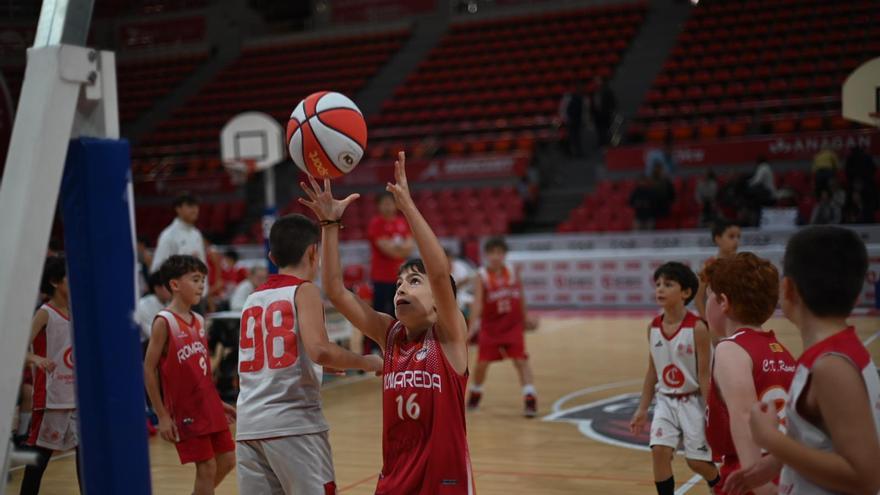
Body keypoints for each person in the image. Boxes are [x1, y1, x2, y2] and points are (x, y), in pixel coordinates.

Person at [303, 152, 475, 493]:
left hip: (444, 480)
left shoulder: (449, 336)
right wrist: (330, 225)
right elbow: (336, 291)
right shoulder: (390, 334)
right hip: (394, 478)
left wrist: (408, 206)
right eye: (398, 283)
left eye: (413, 281)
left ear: (442, 304)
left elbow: (440, 273)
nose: (401, 288)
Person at [724, 226, 880, 495]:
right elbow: (820, 440)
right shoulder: (831, 354)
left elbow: (865, 477)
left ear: (788, 289)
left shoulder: (832, 366)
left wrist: (771, 440)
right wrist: (775, 463)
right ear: (856, 296)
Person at [234, 214, 383, 494]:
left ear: (272, 255)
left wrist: (320, 366)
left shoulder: (252, 298)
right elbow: (320, 350)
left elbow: (275, 358)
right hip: (294, 425)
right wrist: (365, 362)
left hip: (248, 429)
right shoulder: (304, 291)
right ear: (314, 252)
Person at [701, 253, 796, 494]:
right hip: (784, 469)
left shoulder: (730, 349)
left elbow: (744, 415)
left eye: (708, 295)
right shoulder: (781, 351)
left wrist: (759, 482)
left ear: (723, 301)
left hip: (750, 474)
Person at [143, 255, 236, 495]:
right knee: (206, 468)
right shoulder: (164, 322)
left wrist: (218, 402)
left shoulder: (199, 320)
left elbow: (201, 371)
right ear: (174, 285)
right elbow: (148, 369)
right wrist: (161, 415)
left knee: (227, 460)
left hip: (208, 404)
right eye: (195, 279)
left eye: (203, 280)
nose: (201, 285)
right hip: (185, 409)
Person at [629, 262, 719, 495]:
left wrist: (712, 410)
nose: (660, 289)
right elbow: (652, 371)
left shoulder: (698, 328)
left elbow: (704, 375)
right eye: (658, 284)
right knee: (659, 451)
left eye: (668, 284)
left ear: (686, 292)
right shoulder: (653, 327)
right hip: (666, 400)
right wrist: (642, 408)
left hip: (693, 401)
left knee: (696, 462)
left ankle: (718, 483)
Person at [20, 256, 80, 495]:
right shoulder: (45, 313)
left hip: (76, 398)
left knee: (84, 457)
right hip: (50, 399)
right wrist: (36, 359)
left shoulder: (77, 313)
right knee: (38, 459)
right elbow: (17, 347)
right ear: (55, 281)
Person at [466, 236, 539, 417]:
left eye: (499, 253)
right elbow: (477, 304)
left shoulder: (513, 271)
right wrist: (470, 327)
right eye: (491, 253)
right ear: (486, 255)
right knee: (482, 364)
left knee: (521, 361)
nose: (495, 257)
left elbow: (520, 296)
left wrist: (526, 316)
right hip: (491, 328)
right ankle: (476, 391)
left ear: (504, 254)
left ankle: (530, 398)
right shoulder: (481, 275)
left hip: (512, 325)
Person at [366, 191, 414, 355]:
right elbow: (387, 249)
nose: (388, 206)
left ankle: (400, 345)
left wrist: (397, 250)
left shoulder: (402, 222)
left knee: (401, 311)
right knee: (379, 312)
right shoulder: (376, 223)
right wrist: (399, 250)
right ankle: (374, 348)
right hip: (381, 277)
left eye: (390, 203)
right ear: (379, 206)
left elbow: (409, 247)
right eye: (384, 203)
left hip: (400, 278)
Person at [150, 193, 205, 275]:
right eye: (190, 205)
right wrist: (184, 266)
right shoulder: (168, 235)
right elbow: (156, 269)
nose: (195, 209)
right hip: (179, 286)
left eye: (196, 205)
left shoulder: (197, 234)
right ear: (178, 209)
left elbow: (203, 268)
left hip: (198, 286)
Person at [694, 220, 741, 319]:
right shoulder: (709, 266)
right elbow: (698, 298)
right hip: (717, 318)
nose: (736, 240)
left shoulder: (742, 263)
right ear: (718, 239)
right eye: (731, 236)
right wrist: (706, 320)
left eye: (738, 237)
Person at [134, 271, 172, 353]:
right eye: (167, 286)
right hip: (144, 346)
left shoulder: (168, 303)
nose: (171, 289)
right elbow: (152, 335)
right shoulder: (143, 305)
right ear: (157, 288)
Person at [559, 82, 586, 157]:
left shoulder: (578, 98)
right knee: (573, 137)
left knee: (576, 137)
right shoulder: (570, 98)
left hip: (575, 120)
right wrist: (566, 119)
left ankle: (576, 152)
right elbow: (565, 110)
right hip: (572, 120)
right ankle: (573, 153)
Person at [590, 76, 617, 147]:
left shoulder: (607, 90)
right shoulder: (595, 91)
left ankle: (610, 142)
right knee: (599, 130)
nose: (596, 82)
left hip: (606, 114)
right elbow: (593, 104)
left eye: (597, 80)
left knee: (608, 129)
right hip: (597, 115)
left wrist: (612, 111)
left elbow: (612, 102)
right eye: (595, 81)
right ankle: (601, 142)